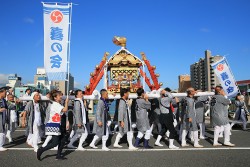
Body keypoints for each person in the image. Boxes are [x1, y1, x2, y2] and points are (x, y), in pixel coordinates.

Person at [37, 90, 69, 161]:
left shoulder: (58, 103)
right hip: (54, 125)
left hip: (58, 124)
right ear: (55, 97)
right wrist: (67, 102)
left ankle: (58, 155)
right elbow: (65, 109)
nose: (61, 96)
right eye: (59, 95)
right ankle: (41, 150)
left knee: (62, 140)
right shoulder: (55, 104)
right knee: (55, 143)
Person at [0, 86, 10, 151]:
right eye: (5, 92)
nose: (6, 93)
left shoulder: (3, 100)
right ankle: (0, 145)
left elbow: (8, 106)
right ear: (1, 92)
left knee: (3, 131)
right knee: (1, 131)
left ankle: (2, 144)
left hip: (3, 117)